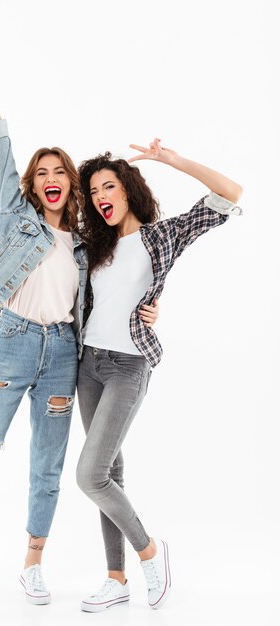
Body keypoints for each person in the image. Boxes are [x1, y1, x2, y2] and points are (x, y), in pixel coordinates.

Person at [0, 52, 160, 626]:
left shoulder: (84, 243)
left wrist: (149, 309)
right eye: (43, 173)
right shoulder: (15, 214)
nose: (53, 181)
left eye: (61, 174)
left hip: (63, 357)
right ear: (32, 183)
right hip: (13, 343)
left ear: (70, 185)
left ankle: (32, 565)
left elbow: (120, 281)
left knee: (48, 468)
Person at [76, 141, 242, 612]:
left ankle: (150, 552)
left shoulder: (160, 236)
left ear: (128, 191)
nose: (101, 195)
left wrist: (176, 161)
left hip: (130, 365)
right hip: (88, 364)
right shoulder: (94, 246)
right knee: (109, 475)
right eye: (94, 190)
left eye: (109, 185)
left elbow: (229, 194)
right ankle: (116, 579)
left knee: (90, 476)